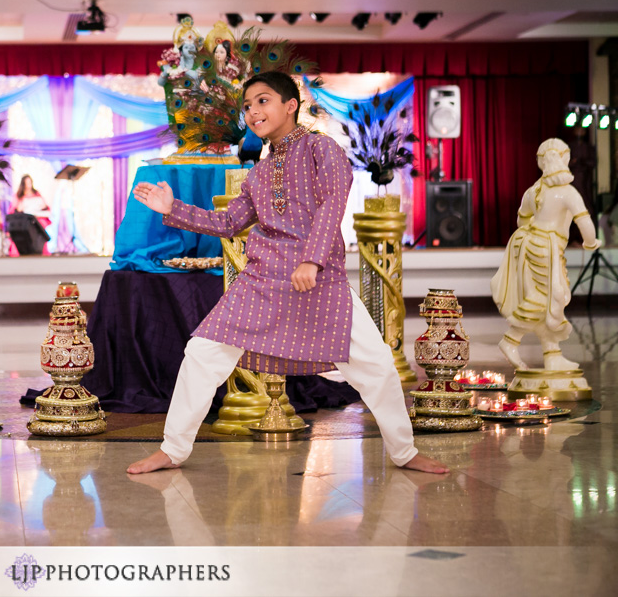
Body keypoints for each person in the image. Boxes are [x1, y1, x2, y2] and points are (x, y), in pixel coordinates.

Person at [127, 71, 447, 475]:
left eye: (262, 101)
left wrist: (312, 260)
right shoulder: (259, 172)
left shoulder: (321, 148)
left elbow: (334, 201)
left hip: (317, 278)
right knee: (202, 354)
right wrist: (172, 209)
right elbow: (229, 224)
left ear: (290, 105)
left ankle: (405, 452)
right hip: (262, 279)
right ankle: (172, 450)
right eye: (247, 106)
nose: (253, 112)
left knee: (376, 365)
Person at [491, 138, 600, 371]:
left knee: (551, 300)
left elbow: (522, 219)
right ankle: (510, 340)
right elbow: (586, 225)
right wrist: (591, 243)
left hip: (531, 244)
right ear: (565, 159)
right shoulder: (568, 193)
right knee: (549, 298)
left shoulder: (534, 191)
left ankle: (552, 354)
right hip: (544, 250)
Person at [11, 174, 51, 255]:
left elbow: (46, 207)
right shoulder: (19, 195)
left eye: (30, 182)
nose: (28, 185)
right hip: (24, 220)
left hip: (37, 218)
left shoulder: (36, 193)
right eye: (26, 183)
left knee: (39, 226)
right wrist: (19, 208)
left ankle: (40, 249)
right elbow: (14, 210)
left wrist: (42, 206)